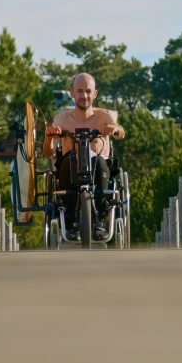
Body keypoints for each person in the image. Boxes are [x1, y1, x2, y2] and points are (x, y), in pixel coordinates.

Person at [43, 73, 126, 241]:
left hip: (99, 171)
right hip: (69, 171)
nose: (84, 96)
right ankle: (70, 221)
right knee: (69, 160)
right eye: (79, 91)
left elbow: (120, 133)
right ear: (72, 93)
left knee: (100, 161)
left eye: (88, 91)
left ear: (95, 93)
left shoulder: (105, 116)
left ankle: (99, 223)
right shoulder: (61, 119)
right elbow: (49, 153)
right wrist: (48, 137)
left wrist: (113, 130)